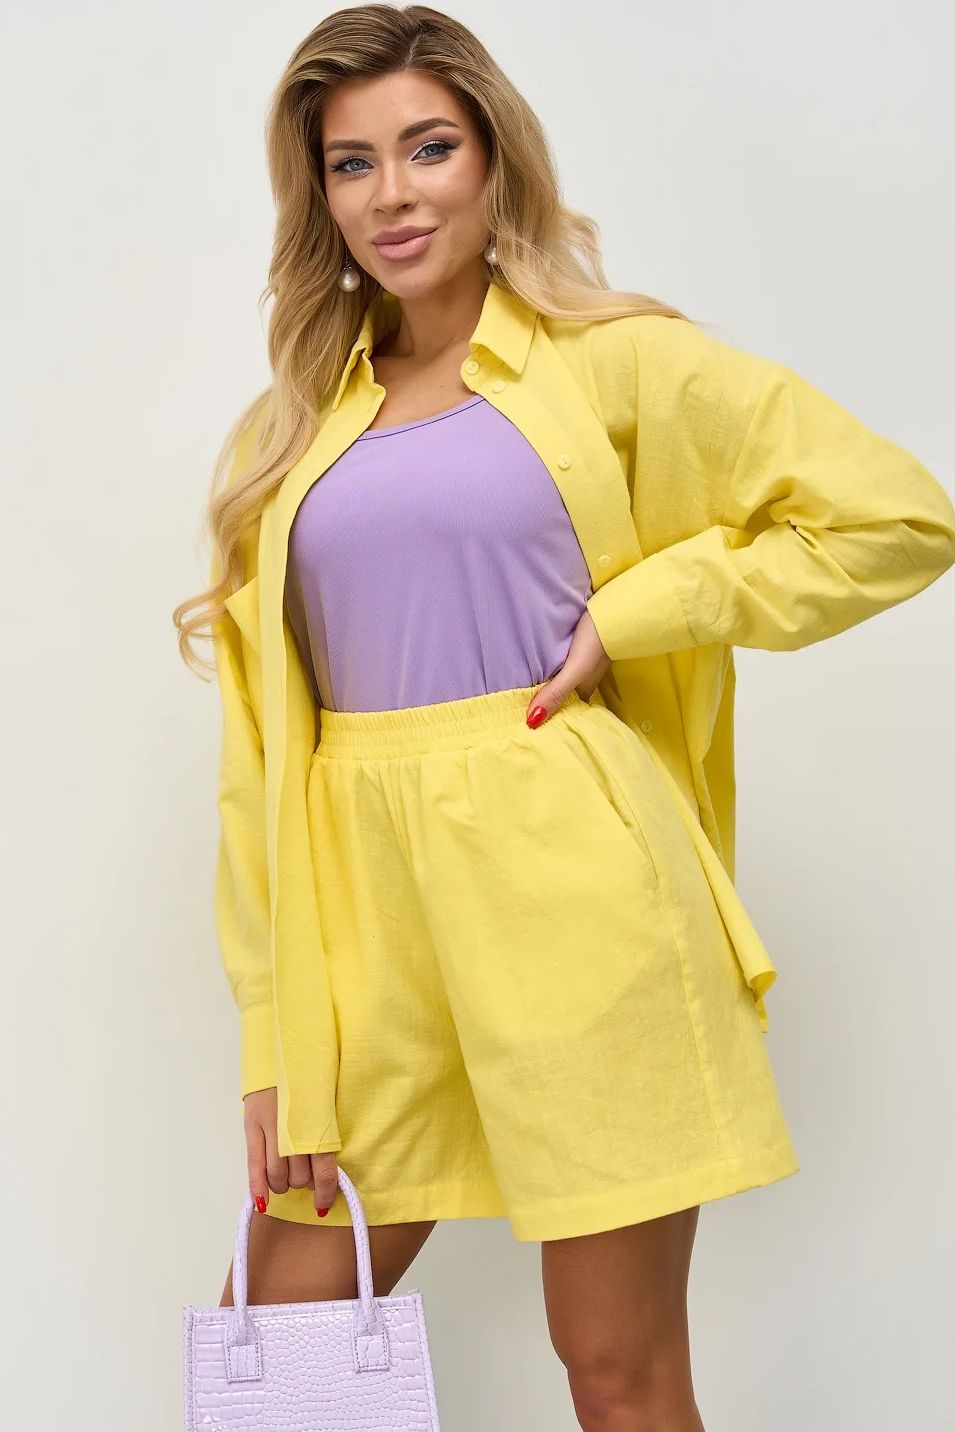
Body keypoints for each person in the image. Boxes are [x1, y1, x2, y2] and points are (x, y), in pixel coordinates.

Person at [173, 7, 955, 1429]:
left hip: (577, 894)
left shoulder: (615, 363)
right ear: (319, 195)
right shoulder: (286, 429)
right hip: (365, 929)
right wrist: (272, 1036)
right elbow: (257, 767)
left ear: (495, 161)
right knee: (281, 1356)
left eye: (429, 148)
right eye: (352, 164)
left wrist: (636, 613)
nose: (394, 194)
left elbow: (898, 517)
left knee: (614, 1365)